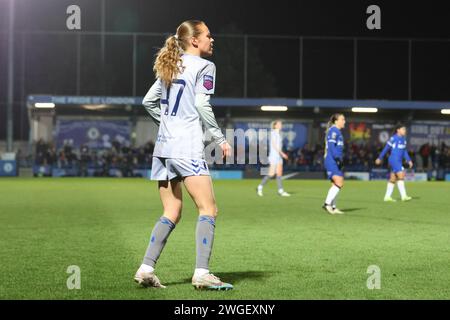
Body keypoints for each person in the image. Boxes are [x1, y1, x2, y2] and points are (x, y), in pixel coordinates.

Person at [134, 20, 233, 290]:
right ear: (194, 41)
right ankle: (202, 273)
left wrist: (167, 125)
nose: (213, 40)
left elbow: (147, 102)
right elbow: (202, 103)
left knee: (172, 210)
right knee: (209, 208)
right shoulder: (204, 66)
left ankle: (146, 268)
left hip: (164, 148)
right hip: (187, 146)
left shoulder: (172, 65)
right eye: (209, 36)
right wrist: (220, 138)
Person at [375, 124, 413, 202]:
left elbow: (404, 151)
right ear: (398, 130)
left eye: (405, 129)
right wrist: (379, 158)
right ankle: (404, 196)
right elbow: (386, 148)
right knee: (401, 174)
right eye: (403, 129)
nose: (404, 131)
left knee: (393, 178)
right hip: (394, 159)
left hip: (398, 160)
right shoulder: (393, 138)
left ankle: (387, 197)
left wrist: (409, 160)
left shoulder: (403, 140)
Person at [257, 120, 290, 197]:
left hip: (279, 156)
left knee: (279, 174)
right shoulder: (273, 133)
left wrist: (281, 155)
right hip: (273, 156)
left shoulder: (279, 134)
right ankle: (260, 187)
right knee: (271, 174)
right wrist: (282, 154)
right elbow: (275, 146)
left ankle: (280, 190)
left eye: (281, 124)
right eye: (279, 124)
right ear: (275, 125)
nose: (281, 125)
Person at [322, 114, 346, 214]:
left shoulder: (337, 132)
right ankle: (327, 204)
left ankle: (333, 207)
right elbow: (331, 147)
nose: (344, 121)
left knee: (335, 184)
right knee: (339, 182)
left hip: (335, 160)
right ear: (336, 121)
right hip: (332, 160)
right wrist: (337, 159)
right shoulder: (334, 131)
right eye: (342, 119)